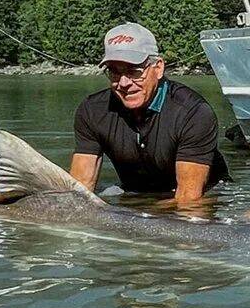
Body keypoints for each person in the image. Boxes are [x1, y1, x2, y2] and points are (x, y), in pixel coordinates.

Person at [70, 23, 229, 204]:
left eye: (134, 71)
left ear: (158, 68)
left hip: (203, 193)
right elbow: (80, 189)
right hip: (136, 192)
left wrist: (139, 214)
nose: (123, 83)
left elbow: (188, 200)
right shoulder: (92, 111)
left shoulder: (193, 113)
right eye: (114, 72)